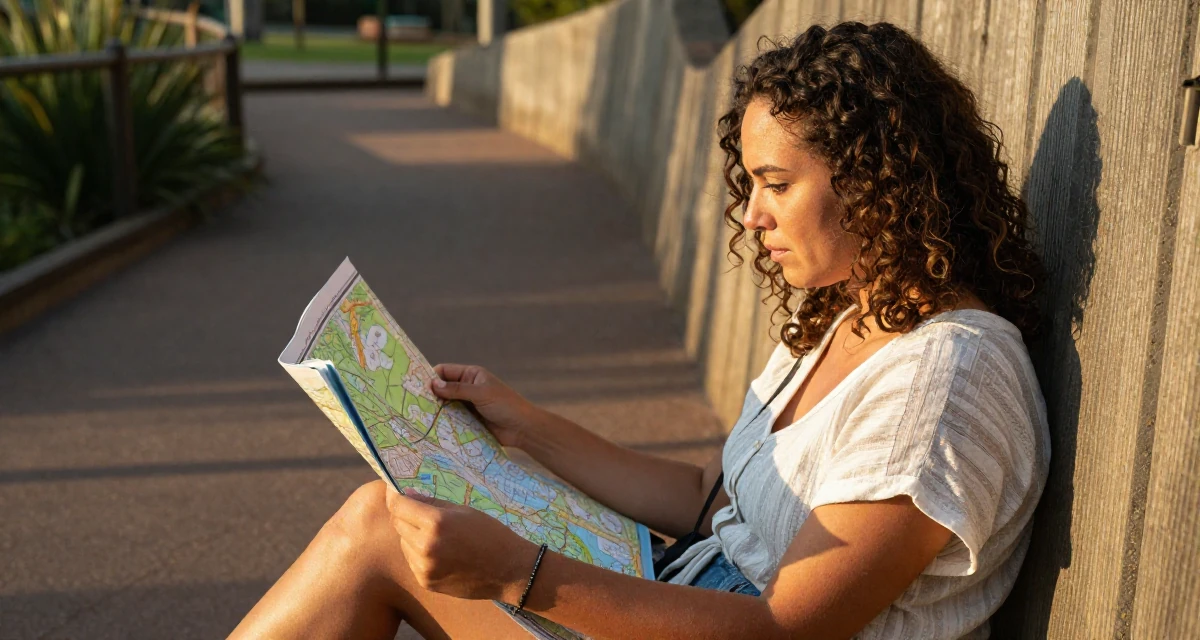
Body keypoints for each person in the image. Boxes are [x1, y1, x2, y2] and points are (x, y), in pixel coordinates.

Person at [232, 21, 1050, 639]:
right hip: (687, 584)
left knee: (379, 529)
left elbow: (786, 631)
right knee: (395, 511)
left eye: (775, 183)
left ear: (878, 182)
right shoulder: (849, 315)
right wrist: (524, 427)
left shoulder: (948, 381)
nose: (752, 213)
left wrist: (519, 573)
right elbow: (707, 501)